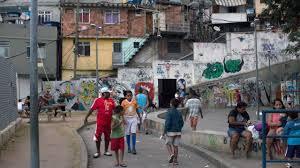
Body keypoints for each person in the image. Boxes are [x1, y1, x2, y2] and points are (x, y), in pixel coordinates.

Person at [84, 87, 115, 158]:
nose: (109, 93)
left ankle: (106, 151)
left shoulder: (111, 100)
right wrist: (86, 118)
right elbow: (91, 109)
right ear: (103, 93)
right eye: (108, 92)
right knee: (98, 137)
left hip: (108, 123)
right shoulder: (97, 100)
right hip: (100, 123)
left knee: (107, 137)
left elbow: (115, 110)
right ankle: (98, 152)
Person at [163, 98, 184, 165]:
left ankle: (171, 154)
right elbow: (182, 122)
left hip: (170, 132)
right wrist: (179, 128)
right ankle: (175, 161)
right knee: (176, 146)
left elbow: (167, 123)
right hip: (178, 131)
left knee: (168, 144)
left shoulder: (169, 112)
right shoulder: (179, 112)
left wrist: (164, 131)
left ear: (171, 104)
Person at [121, 90, 139, 155]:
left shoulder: (134, 101)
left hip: (134, 118)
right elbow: (122, 112)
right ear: (125, 96)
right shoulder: (123, 102)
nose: (129, 97)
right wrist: (122, 119)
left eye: (130, 95)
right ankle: (129, 147)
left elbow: (137, 109)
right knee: (128, 133)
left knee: (133, 132)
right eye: (128, 96)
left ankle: (134, 148)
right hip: (126, 118)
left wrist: (139, 116)